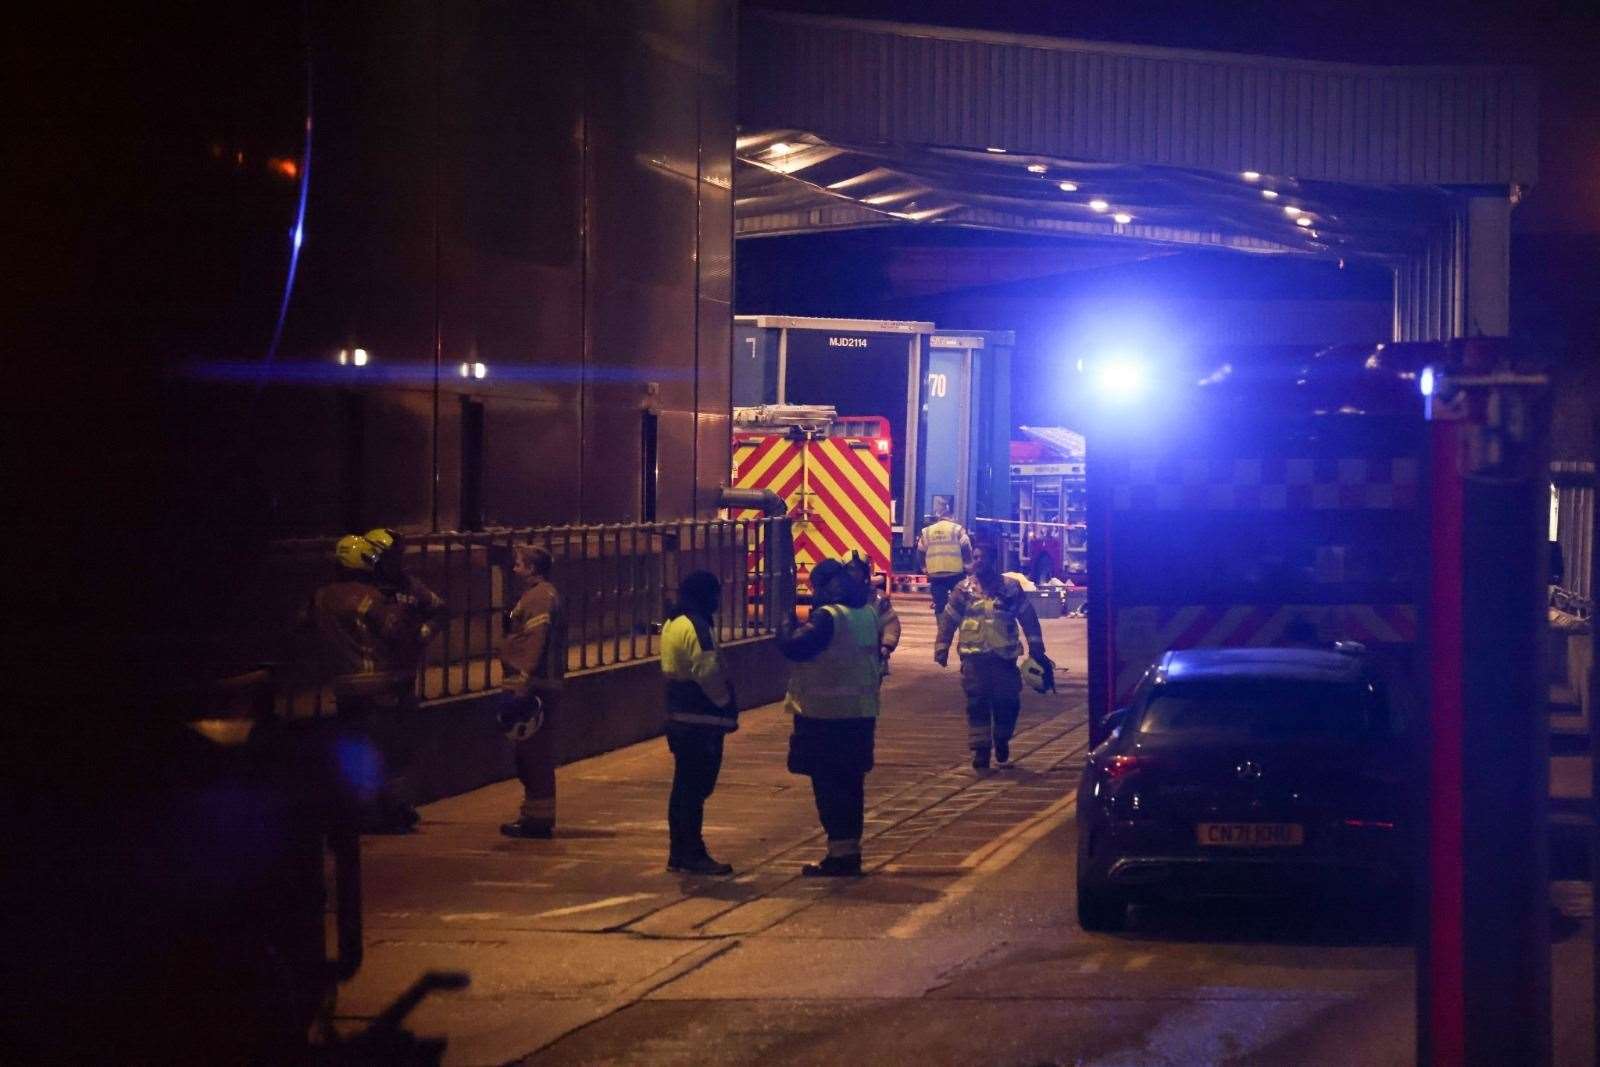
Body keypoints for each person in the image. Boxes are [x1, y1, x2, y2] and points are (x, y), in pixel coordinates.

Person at [313, 527, 446, 832]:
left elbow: (301, 629)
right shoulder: (370, 597)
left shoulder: (321, 596)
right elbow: (394, 632)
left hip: (345, 684)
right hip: (382, 680)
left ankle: (361, 811)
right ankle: (391, 811)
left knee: (358, 749)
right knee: (391, 748)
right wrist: (411, 632)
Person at [778, 559, 882, 876]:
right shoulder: (866, 613)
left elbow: (794, 647)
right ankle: (848, 852)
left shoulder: (828, 617)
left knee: (830, 788)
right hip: (860, 715)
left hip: (826, 718)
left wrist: (784, 624)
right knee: (851, 786)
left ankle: (839, 857)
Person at [935, 536, 1053, 771]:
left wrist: (1036, 646)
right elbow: (949, 619)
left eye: (983, 558)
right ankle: (980, 752)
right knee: (977, 704)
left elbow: (1027, 617)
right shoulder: (963, 590)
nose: (978, 562)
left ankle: (1001, 738)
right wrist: (942, 646)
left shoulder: (1010, 589)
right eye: (975, 557)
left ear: (994, 560)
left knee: (1007, 703)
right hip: (974, 660)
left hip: (1004, 660)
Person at [660, 571, 739, 875]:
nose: (718, 600)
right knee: (695, 788)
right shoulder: (697, 626)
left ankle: (679, 851)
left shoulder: (672, 622)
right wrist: (726, 704)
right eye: (715, 594)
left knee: (683, 787)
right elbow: (708, 670)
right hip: (700, 718)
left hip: (679, 715)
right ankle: (691, 852)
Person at [499, 544, 567, 839]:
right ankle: (535, 815)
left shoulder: (539, 598)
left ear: (532, 569)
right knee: (529, 754)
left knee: (533, 755)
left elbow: (536, 641)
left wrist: (524, 679)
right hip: (533, 683)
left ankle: (536, 820)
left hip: (534, 685)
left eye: (518, 564)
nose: (514, 569)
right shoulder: (539, 595)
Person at [844, 553, 900, 674]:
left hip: (873, 659)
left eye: (859, 570)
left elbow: (890, 622)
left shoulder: (878, 597)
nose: (855, 574)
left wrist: (887, 645)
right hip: (844, 658)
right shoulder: (838, 597)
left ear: (865, 572)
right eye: (851, 570)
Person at [917, 498, 971, 617]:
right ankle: (961, 629)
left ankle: (943, 630)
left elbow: (920, 550)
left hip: (935, 574)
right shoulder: (957, 529)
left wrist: (924, 568)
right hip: (956, 573)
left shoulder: (928, 531)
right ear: (951, 517)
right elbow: (966, 544)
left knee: (940, 605)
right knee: (960, 604)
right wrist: (968, 565)